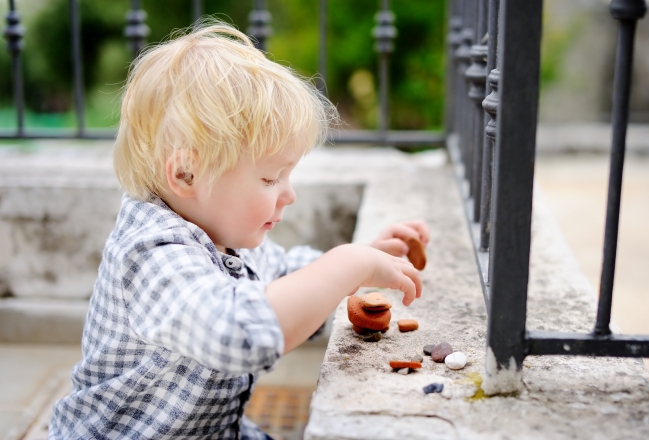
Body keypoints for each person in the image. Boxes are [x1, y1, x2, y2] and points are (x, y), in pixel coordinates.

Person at [49, 21, 428, 440]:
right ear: (186, 173)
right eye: (270, 179)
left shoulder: (221, 232)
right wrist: (344, 266)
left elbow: (285, 278)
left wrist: (360, 266)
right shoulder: (151, 255)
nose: (289, 195)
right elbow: (237, 333)